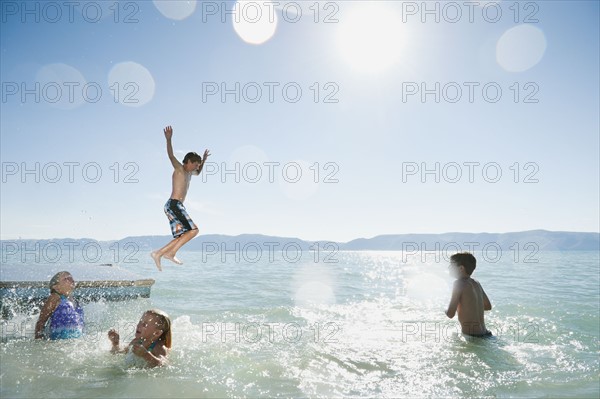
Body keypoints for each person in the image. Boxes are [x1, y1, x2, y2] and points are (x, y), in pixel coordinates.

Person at [151, 125, 210, 271]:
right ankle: (169, 253)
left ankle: (158, 254)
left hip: (177, 206)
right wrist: (169, 139)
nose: (196, 167)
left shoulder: (191, 173)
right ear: (188, 162)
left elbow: (199, 172)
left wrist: (204, 160)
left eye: (198, 165)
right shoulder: (179, 168)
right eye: (195, 164)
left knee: (182, 235)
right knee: (194, 230)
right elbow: (171, 155)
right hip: (173, 205)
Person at [445, 252, 493, 337]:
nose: (448, 268)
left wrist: (444, 309)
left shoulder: (458, 284)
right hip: (486, 334)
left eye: (451, 265)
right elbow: (488, 306)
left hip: (473, 337)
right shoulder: (476, 283)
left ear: (461, 268)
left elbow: (450, 314)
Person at [34, 271, 84, 340]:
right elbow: (41, 322)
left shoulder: (74, 301)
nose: (71, 280)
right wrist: (39, 343)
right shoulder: (54, 298)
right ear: (56, 287)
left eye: (71, 278)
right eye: (66, 278)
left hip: (75, 344)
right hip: (58, 344)